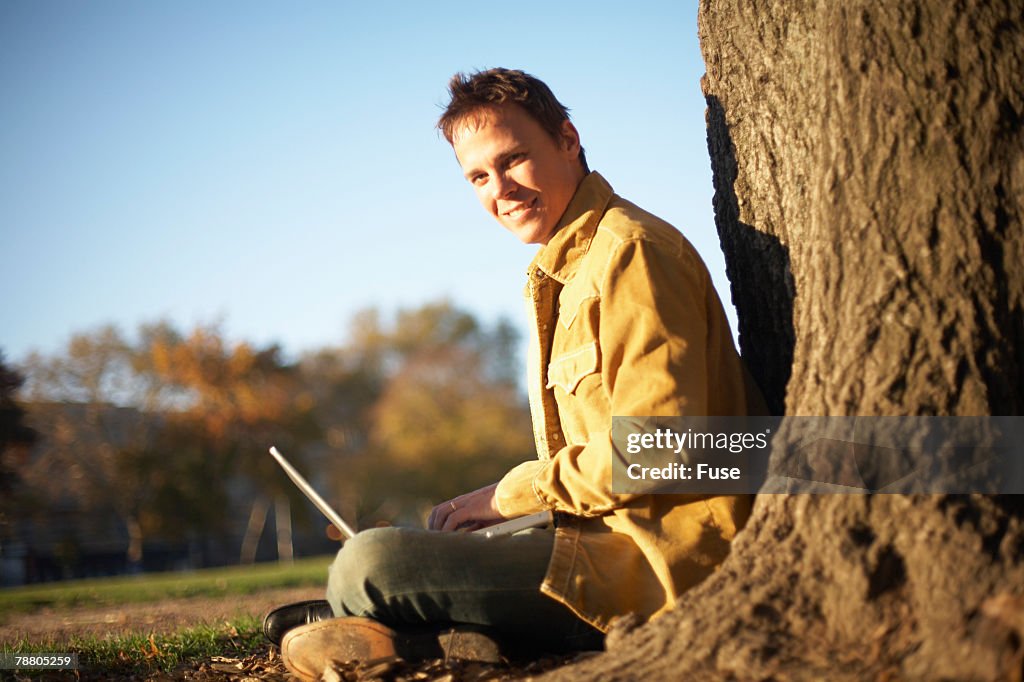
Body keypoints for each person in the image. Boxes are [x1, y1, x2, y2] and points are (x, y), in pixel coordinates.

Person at [265, 68, 759, 681]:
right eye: (478, 176)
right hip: (597, 545)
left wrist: (509, 496)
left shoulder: (631, 252)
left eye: (514, 159)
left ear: (568, 139)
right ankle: (398, 630)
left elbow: (663, 450)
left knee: (372, 563)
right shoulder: (558, 271)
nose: (500, 188)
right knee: (391, 558)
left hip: (657, 568)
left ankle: (385, 629)